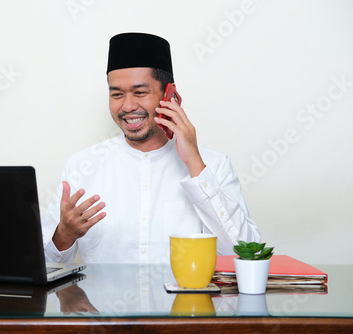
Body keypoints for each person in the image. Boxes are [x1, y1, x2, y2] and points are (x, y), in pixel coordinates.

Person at [42, 32, 260, 264]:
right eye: (117, 94)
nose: (127, 106)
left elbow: (246, 256)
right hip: (100, 303)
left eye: (140, 92)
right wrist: (64, 235)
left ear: (169, 95)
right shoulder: (81, 166)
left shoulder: (214, 164)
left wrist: (195, 165)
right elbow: (43, 268)